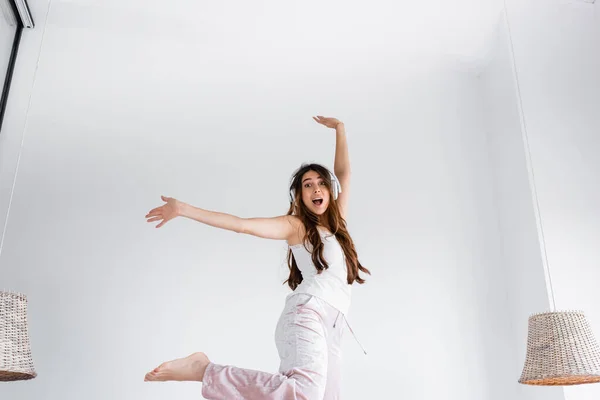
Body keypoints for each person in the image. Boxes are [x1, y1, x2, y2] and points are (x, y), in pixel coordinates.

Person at [143, 116, 370, 399]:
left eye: (321, 183)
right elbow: (242, 224)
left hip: (334, 326)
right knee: (304, 394)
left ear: (328, 190)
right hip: (308, 314)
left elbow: (344, 174)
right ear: (300, 196)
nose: (316, 189)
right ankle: (205, 370)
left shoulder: (338, 226)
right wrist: (184, 209)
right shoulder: (297, 226)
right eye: (307, 185)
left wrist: (340, 129)